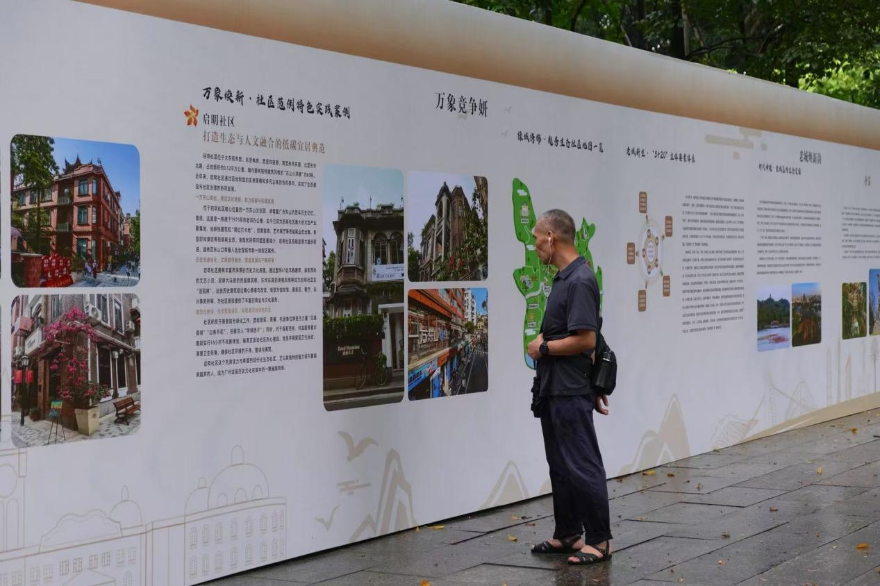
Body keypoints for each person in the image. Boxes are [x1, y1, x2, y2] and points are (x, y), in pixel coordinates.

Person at [526, 209, 612, 566]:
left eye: (536, 239)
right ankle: (568, 533)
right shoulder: (565, 279)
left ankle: (600, 540)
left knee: (582, 463)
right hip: (555, 388)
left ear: (551, 236)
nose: (535, 246)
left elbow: (586, 339)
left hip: (569, 390)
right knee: (560, 465)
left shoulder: (580, 280)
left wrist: (543, 348)